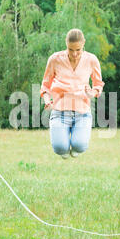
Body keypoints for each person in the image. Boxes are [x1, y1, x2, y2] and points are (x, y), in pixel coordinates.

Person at [40, 29, 105, 159]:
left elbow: (98, 85)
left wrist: (91, 92)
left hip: (82, 113)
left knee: (79, 145)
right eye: (70, 50)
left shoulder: (92, 60)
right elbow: (45, 85)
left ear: (83, 44)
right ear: (66, 44)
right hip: (59, 111)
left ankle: (77, 146)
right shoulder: (55, 59)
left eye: (78, 50)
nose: (74, 54)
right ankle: (62, 147)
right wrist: (47, 100)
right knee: (60, 148)